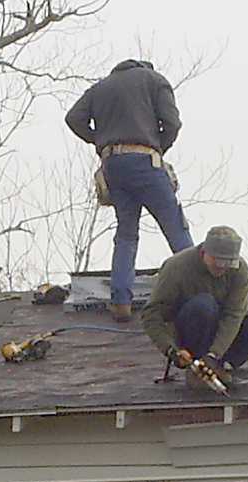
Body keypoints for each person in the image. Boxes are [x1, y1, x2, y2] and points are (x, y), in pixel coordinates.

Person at [65, 59, 194, 322]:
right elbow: (172, 123)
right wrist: (158, 146)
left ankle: (121, 302)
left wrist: (99, 140)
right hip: (145, 160)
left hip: (113, 165)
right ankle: (200, 292)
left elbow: (73, 118)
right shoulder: (154, 80)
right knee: (174, 226)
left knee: (126, 234)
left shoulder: (100, 88)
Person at [141, 226, 248, 388]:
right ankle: (197, 366)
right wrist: (171, 350)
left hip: (222, 336)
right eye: (217, 261)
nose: (222, 267)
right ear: (204, 252)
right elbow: (151, 314)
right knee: (204, 304)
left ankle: (223, 364)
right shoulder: (176, 267)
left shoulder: (239, 270)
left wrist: (214, 355)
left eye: (228, 262)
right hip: (190, 331)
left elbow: (234, 314)